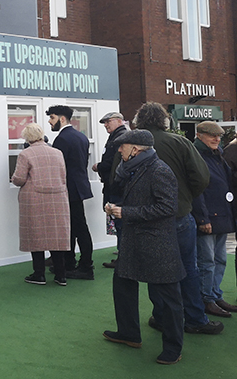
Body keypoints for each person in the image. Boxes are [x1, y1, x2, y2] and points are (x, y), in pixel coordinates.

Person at [132, 102, 220, 335]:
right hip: (179, 215)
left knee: (154, 271)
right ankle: (195, 318)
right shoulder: (179, 142)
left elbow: (115, 180)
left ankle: (161, 317)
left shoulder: (131, 143)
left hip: (146, 218)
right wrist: (185, 197)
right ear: (164, 120)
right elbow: (202, 177)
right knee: (188, 268)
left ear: (139, 120)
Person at [103, 129, 185, 365]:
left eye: (122, 146)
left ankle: (173, 347)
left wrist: (125, 212)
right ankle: (129, 333)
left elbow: (167, 208)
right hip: (134, 240)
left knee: (168, 299)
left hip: (156, 244)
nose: (119, 150)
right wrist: (115, 206)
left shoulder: (159, 170)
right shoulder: (133, 169)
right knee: (122, 284)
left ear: (135, 149)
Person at [11, 123, 70, 286]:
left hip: (34, 198)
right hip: (57, 198)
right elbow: (63, 176)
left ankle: (39, 274)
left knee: (35, 235)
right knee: (56, 237)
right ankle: (61, 275)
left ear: (27, 138)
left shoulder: (25, 154)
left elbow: (19, 178)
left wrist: (13, 179)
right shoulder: (58, 153)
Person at [191, 121, 237, 319]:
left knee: (220, 259)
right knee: (207, 261)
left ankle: (215, 295)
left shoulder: (217, 154)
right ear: (200, 135)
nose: (217, 139)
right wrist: (203, 218)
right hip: (208, 216)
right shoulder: (197, 155)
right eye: (212, 135)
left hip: (221, 214)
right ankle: (206, 299)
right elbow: (197, 189)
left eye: (218, 136)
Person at [46, 105, 95, 279]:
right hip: (79, 187)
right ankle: (75, 264)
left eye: (52, 118)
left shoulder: (62, 140)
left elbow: (58, 168)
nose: (50, 122)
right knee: (77, 227)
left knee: (75, 228)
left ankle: (83, 266)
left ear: (62, 119)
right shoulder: (81, 137)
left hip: (68, 189)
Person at [94, 112, 128, 269]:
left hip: (117, 187)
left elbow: (111, 162)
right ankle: (123, 252)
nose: (106, 125)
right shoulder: (116, 137)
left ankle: (124, 256)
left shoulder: (119, 138)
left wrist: (98, 167)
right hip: (116, 185)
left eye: (108, 121)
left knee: (120, 222)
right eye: (104, 123)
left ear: (119, 121)